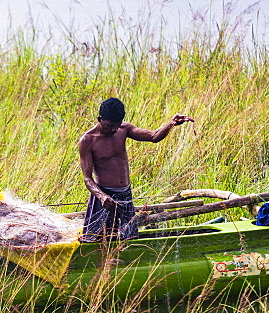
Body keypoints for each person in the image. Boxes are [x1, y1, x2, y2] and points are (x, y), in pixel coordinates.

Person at [78, 97, 193, 242]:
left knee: (129, 238)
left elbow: (153, 136)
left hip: (125, 195)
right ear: (100, 119)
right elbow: (87, 178)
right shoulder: (88, 140)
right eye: (109, 126)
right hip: (104, 197)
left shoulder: (124, 129)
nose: (113, 129)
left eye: (116, 125)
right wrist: (101, 196)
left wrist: (171, 123)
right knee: (96, 240)